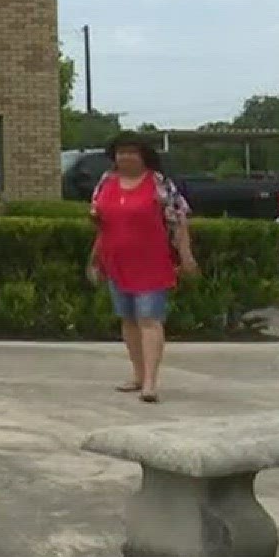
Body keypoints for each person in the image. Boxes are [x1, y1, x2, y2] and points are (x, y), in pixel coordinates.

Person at [88, 131, 198, 403]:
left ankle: (150, 382)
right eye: (120, 152)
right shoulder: (106, 183)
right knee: (128, 320)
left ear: (144, 156)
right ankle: (137, 375)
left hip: (152, 263)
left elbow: (179, 220)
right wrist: (94, 260)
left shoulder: (159, 184)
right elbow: (101, 225)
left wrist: (186, 256)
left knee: (149, 319)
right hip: (116, 261)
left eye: (131, 151)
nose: (125, 157)